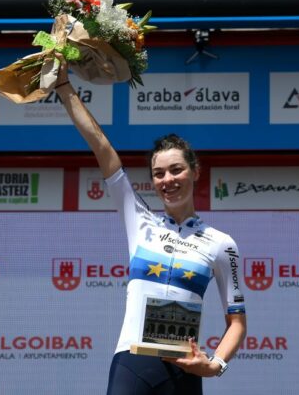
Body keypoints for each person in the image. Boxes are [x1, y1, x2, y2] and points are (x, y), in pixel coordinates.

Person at [55, 64, 247, 395]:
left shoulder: (221, 244)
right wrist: (62, 86)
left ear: (195, 171)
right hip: (133, 363)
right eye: (159, 174)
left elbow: (237, 322)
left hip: (185, 370)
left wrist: (216, 365)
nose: (167, 180)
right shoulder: (140, 221)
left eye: (176, 170)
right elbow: (101, 146)